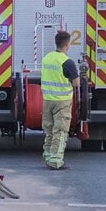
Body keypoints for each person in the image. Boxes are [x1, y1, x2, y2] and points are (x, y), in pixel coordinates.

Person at [41, 30, 80, 170]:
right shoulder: (67, 62)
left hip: (47, 100)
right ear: (67, 45)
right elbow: (76, 83)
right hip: (62, 101)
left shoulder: (46, 58)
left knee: (50, 130)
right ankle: (56, 161)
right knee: (61, 131)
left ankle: (47, 155)